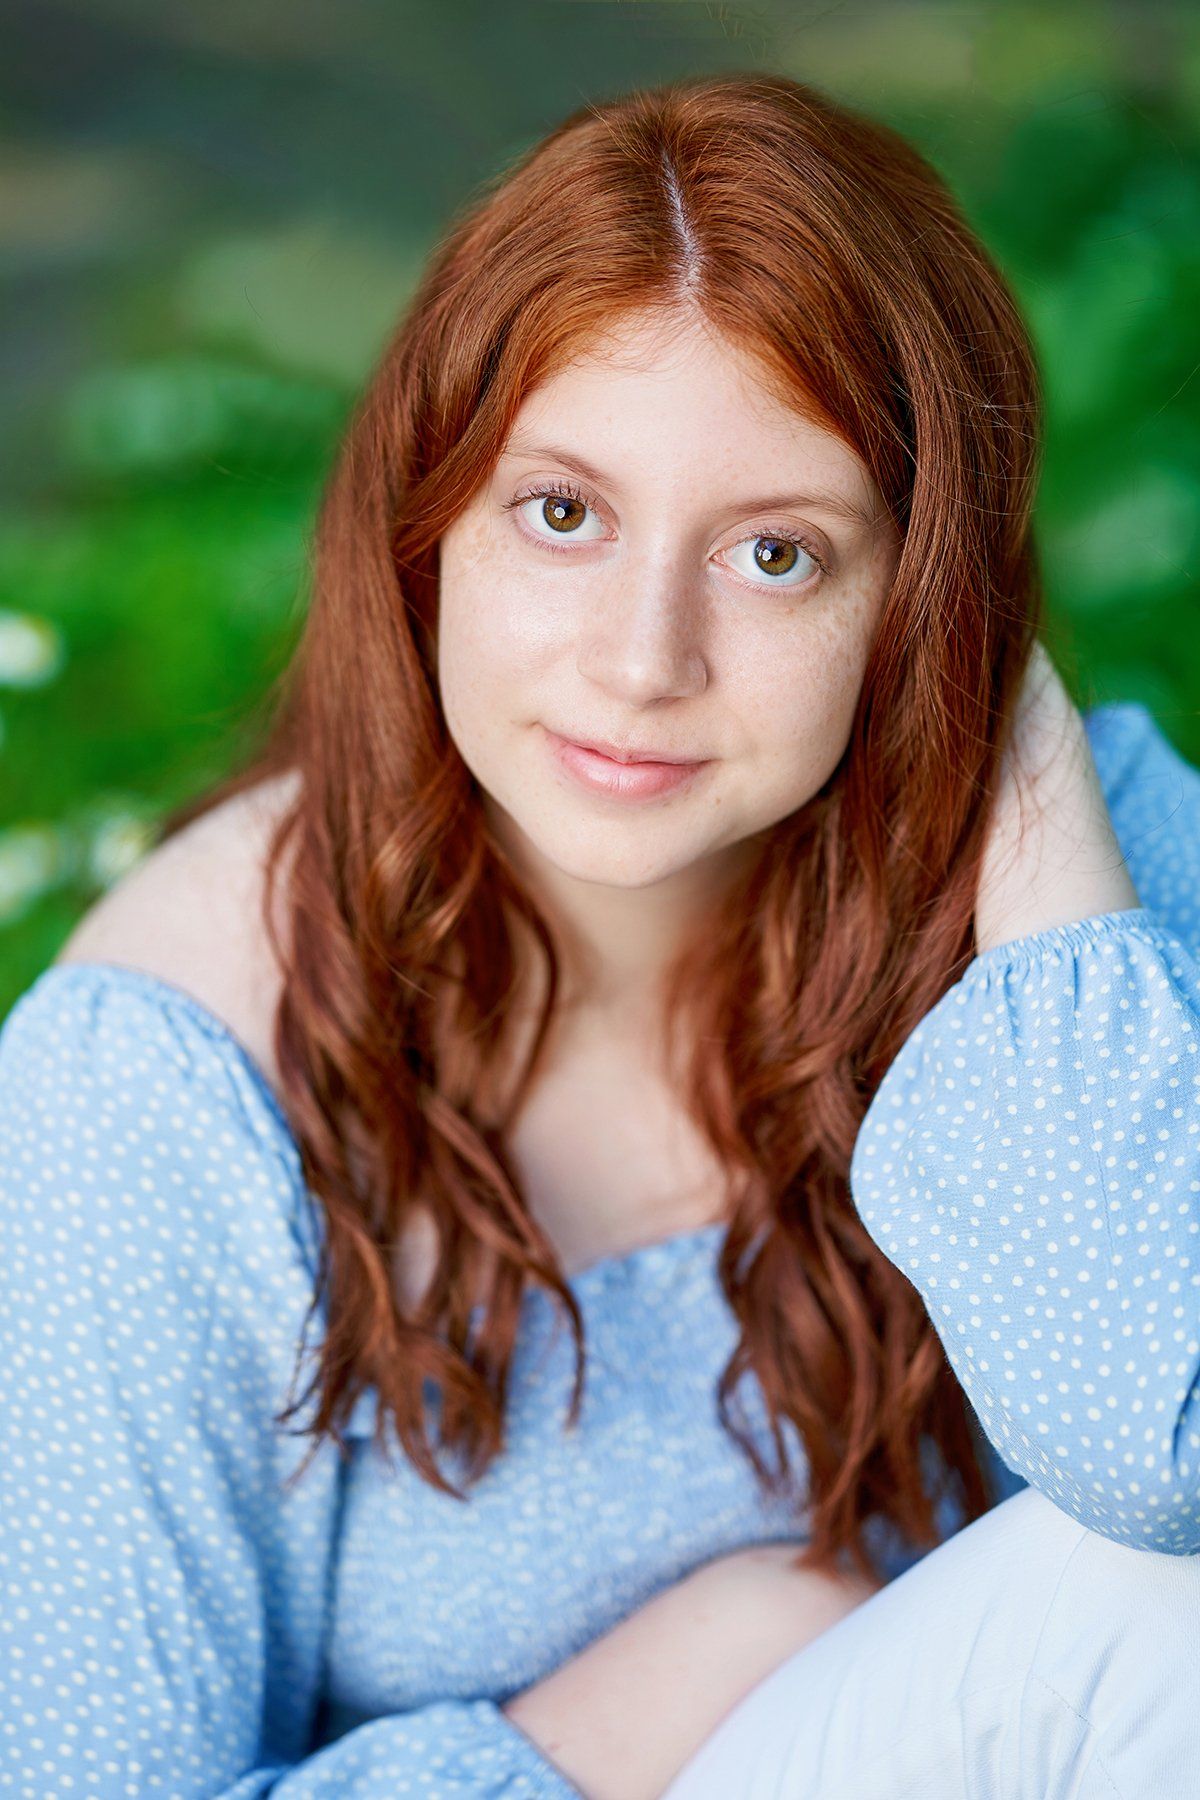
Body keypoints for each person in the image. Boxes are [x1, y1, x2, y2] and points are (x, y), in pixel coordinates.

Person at [1, 69, 1197, 1800]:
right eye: (561, 515)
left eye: (778, 555)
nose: (646, 660)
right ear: (429, 533)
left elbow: (1165, 1443)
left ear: (919, 596)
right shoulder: (152, 1085)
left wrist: (1000, 749)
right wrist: (605, 1733)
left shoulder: (1067, 880)